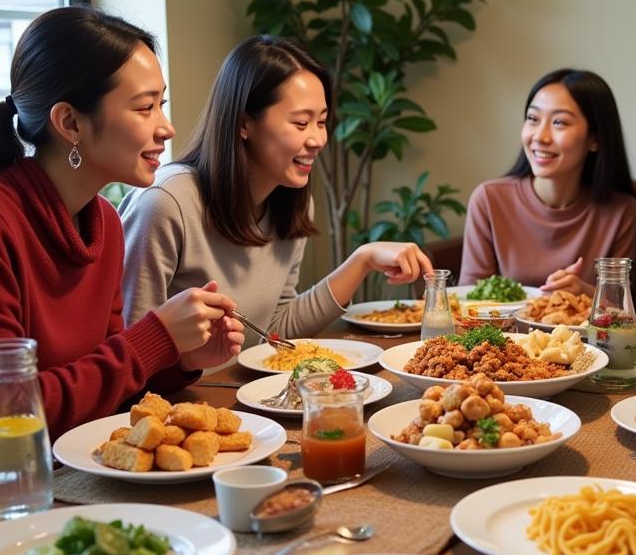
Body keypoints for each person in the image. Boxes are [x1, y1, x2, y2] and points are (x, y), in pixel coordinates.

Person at [0, 5, 242, 483]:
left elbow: (105, 383)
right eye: (145, 107)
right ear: (70, 123)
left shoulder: (103, 219)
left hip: (73, 474)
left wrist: (180, 359)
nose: (167, 127)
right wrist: (155, 338)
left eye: (161, 104)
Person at [120, 35, 432, 341]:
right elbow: (131, 346)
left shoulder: (291, 199)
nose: (318, 139)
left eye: (322, 122)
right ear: (244, 124)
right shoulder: (165, 204)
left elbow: (275, 327)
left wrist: (362, 260)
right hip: (179, 394)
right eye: (300, 123)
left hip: (246, 390)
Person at [458, 68, 636, 297]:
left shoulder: (621, 211)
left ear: (595, 139)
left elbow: (622, 309)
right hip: (503, 333)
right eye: (533, 119)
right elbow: (469, 299)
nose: (540, 137)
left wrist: (585, 294)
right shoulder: (489, 199)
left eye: (559, 122)